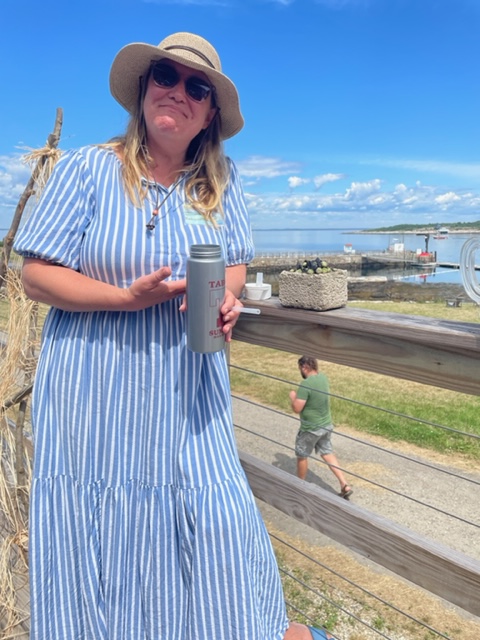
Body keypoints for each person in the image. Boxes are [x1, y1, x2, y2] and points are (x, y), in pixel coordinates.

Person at [14, 32, 334, 640]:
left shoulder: (222, 180)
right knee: (99, 526)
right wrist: (123, 299)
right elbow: (36, 275)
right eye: (166, 76)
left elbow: (234, 264)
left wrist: (230, 297)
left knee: (217, 514)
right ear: (143, 89)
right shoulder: (88, 168)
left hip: (188, 388)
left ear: (210, 113)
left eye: (198, 87)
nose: (178, 92)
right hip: (93, 389)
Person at [289, 356, 353, 499]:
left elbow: (297, 408)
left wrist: (293, 397)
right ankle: (344, 484)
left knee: (302, 455)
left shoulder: (306, 384)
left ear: (304, 367)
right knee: (327, 452)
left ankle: (299, 486)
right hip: (326, 425)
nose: (300, 372)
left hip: (310, 429)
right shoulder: (323, 378)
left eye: (300, 368)